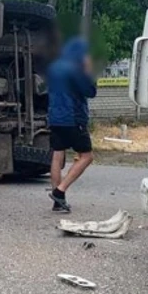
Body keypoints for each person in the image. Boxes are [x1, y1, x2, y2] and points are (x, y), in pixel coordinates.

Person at [47, 37, 97, 212]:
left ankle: (57, 202)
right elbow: (90, 91)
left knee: (57, 155)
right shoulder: (76, 70)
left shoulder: (54, 68)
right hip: (73, 119)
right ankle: (60, 192)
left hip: (55, 117)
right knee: (87, 156)